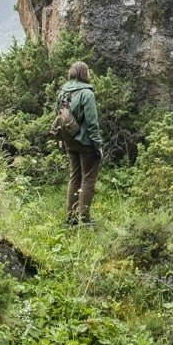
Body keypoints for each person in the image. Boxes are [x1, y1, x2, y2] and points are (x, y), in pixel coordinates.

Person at [57, 61, 103, 225]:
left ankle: (71, 217)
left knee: (74, 177)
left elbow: (59, 116)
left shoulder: (63, 91)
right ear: (85, 73)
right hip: (85, 143)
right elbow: (92, 122)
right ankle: (83, 218)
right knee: (88, 179)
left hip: (69, 141)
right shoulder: (87, 93)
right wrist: (97, 144)